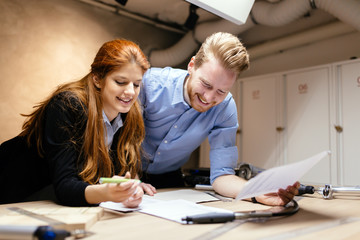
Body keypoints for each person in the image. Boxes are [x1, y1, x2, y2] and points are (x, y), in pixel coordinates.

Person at [139, 32, 299, 206]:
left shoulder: (225, 109)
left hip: (168, 180)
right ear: (192, 65)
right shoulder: (149, 85)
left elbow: (222, 175)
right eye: (206, 84)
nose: (208, 98)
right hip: (123, 175)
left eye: (221, 91)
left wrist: (257, 192)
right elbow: (115, 137)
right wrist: (130, 180)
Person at [0, 39, 150, 207]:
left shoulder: (130, 113)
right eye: (120, 82)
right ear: (97, 79)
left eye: (137, 84)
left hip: (47, 201)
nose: (130, 92)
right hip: (12, 189)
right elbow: (65, 187)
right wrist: (105, 193)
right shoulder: (67, 105)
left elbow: (118, 173)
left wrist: (129, 189)